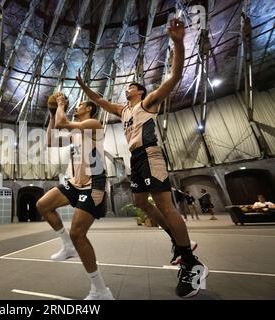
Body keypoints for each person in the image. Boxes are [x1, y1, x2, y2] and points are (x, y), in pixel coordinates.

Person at [76, 18, 208, 298]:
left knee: (165, 206)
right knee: (140, 203)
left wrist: (178, 43)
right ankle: (177, 240)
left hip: (150, 154)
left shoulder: (147, 103)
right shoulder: (123, 111)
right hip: (136, 159)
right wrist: (84, 88)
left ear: (140, 91)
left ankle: (191, 263)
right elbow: (99, 102)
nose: (127, 89)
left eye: (131, 87)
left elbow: (173, 78)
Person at [36, 92, 114, 300]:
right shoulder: (76, 133)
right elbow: (51, 140)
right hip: (75, 182)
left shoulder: (93, 124)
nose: (76, 107)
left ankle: (101, 290)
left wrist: (60, 105)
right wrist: (52, 115)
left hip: (94, 184)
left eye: (80, 105)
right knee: (43, 205)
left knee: (78, 234)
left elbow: (64, 121)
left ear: (88, 109)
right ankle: (67, 246)